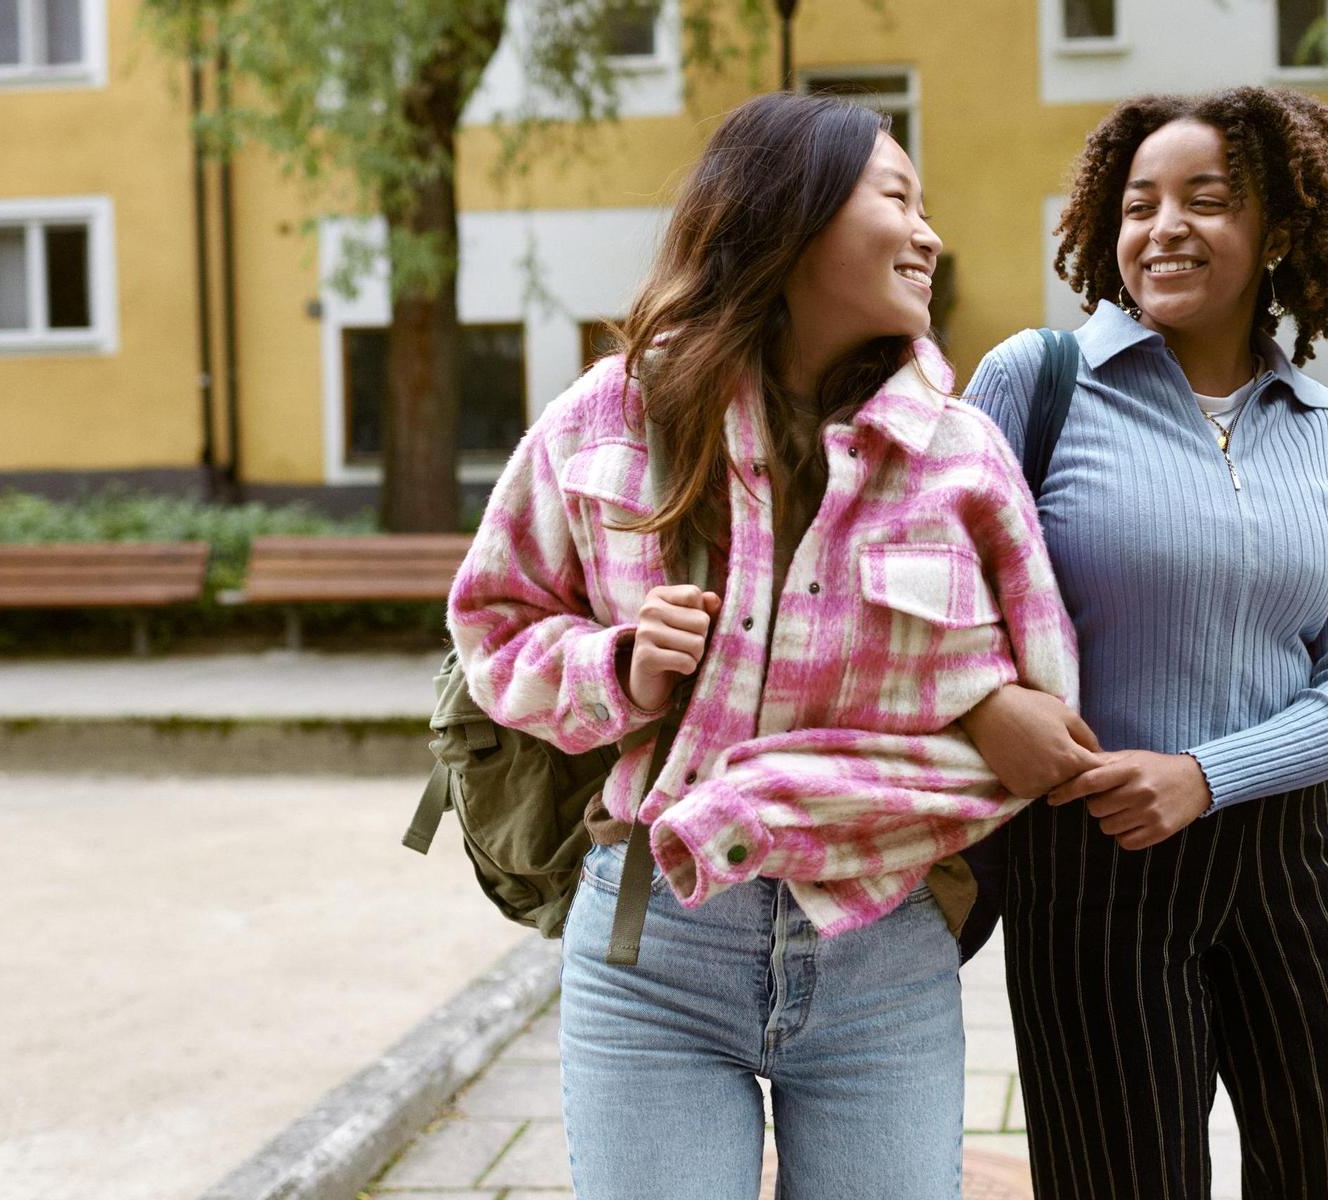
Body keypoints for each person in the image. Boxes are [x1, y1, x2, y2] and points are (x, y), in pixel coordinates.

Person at [448, 91, 1076, 1200]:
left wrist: (953, 710)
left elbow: (1038, 722)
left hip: (880, 948)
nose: (929, 234)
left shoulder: (960, 458)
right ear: (788, 217)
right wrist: (615, 670)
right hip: (651, 944)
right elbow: (492, 625)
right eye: (897, 198)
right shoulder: (611, 418)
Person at [960, 85, 1328, 1199]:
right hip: (1092, 864)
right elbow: (927, 599)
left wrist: (1206, 776)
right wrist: (984, 705)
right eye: (1137, 203)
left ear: (1277, 233)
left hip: (1288, 857)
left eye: (1206, 201)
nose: (1162, 226)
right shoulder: (1037, 382)